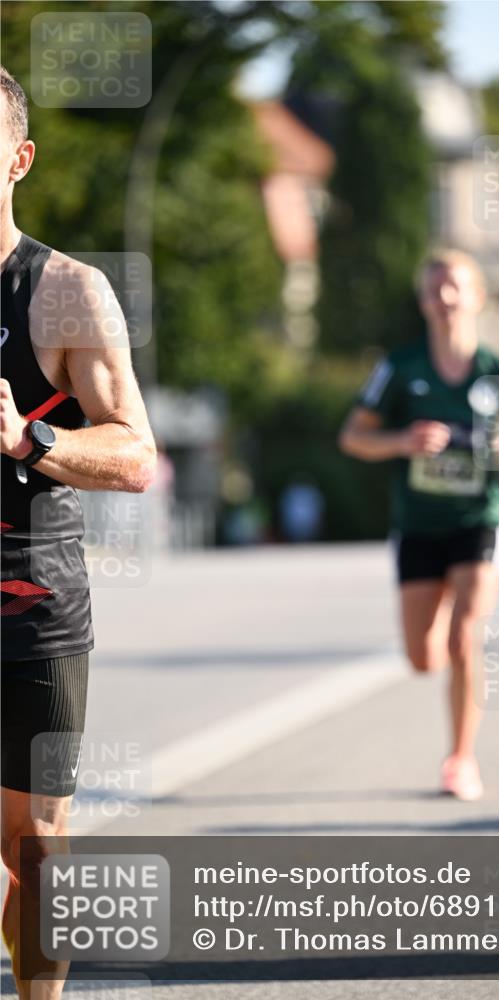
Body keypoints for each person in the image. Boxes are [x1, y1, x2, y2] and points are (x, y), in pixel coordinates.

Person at [0, 67, 156, 998]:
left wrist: (30, 438)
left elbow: (135, 455)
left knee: (35, 850)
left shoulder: (64, 293)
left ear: (17, 159)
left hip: (30, 606)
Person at [339, 248, 499, 801]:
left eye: (456, 286)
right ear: (423, 302)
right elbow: (353, 437)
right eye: (435, 288)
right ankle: (438, 653)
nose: (446, 297)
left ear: (477, 297)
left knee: (464, 638)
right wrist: (403, 441)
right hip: (418, 524)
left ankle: (460, 759)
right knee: (422, 658)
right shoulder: (400, 367)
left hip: (480, 519)